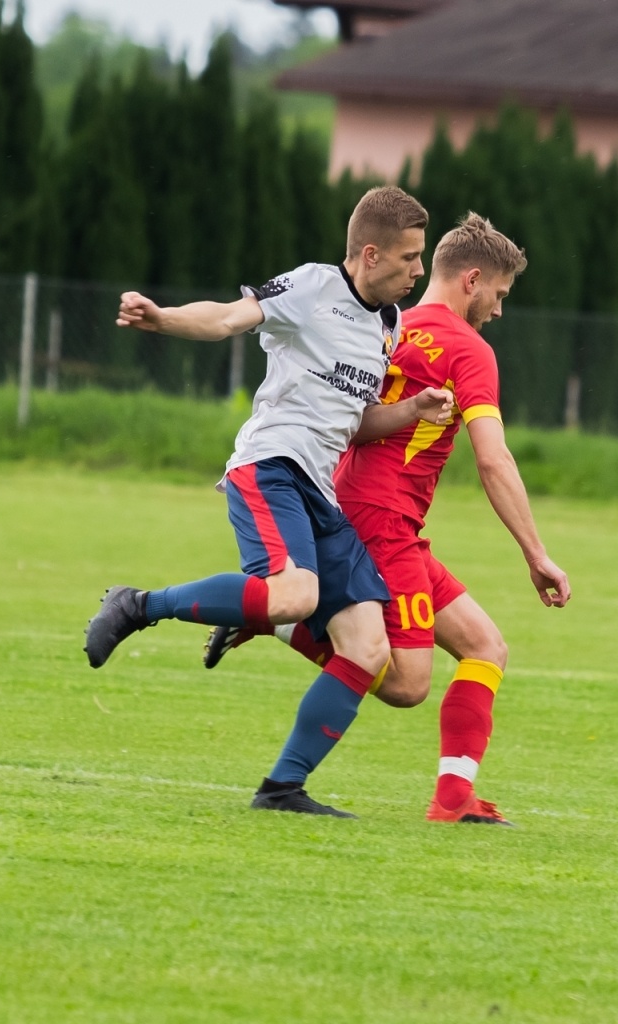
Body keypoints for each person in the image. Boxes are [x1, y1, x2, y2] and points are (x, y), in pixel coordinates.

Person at [85, 186, 454, 818]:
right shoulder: (312, 287)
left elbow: (354, 423)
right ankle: (139, 604)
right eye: (411, 258)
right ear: (370, 254)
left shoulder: (386, 325)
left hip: (318, 488)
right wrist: (164, 318)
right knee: (296, 596)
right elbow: (229, 318)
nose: (420, 271)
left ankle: (282, 789)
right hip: (272, 464)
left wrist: (411, 411)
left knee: (370, 650)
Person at [204, 213, 571, 826]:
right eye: (500, 296)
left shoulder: (389, 326)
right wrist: (536, 553)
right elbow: (493, 459)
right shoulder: (469, 350)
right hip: (384, 521)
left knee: (486, 645)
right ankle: (278, 620)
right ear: (474, 280)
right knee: (404, 683)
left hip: (360, 507)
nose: (500, 312)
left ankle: (453, 799)